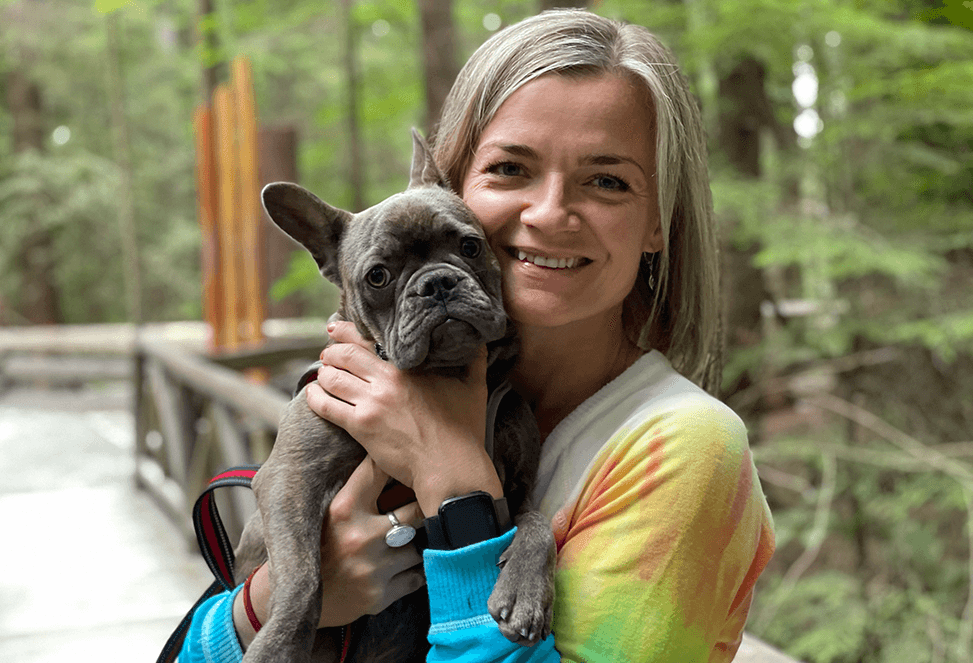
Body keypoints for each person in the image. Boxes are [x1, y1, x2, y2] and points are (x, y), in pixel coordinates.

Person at [180, 8, 775, 663]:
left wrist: (453, 480)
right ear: (456, 184)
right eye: (511, 169)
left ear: (659, 218)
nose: (550, 213)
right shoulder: (383, 389)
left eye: (606, 180)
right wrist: (266, 605)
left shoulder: (685, 450)